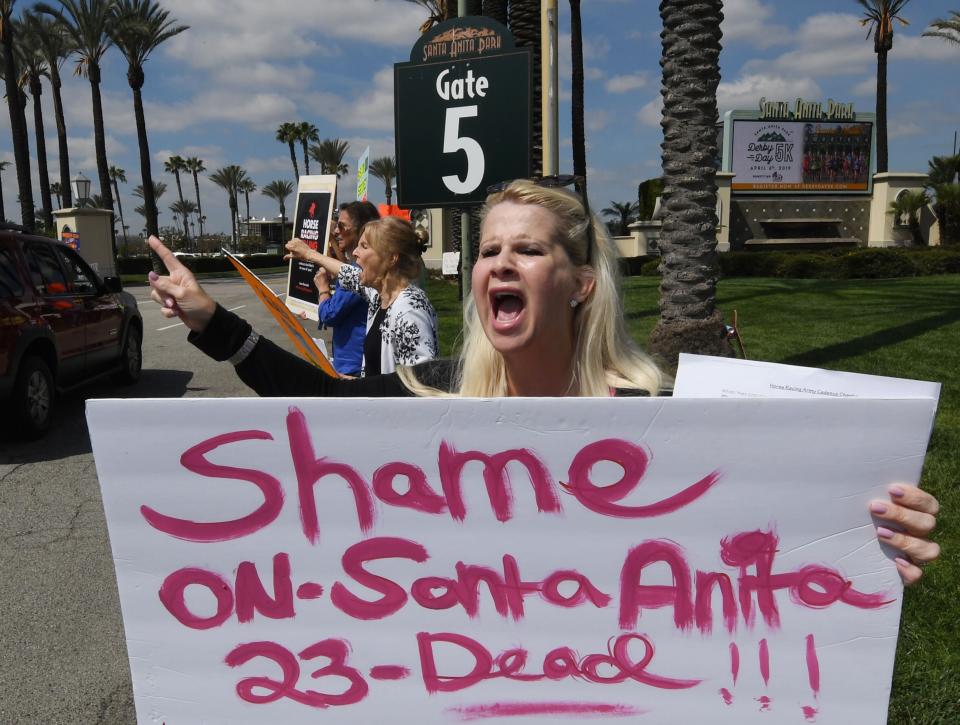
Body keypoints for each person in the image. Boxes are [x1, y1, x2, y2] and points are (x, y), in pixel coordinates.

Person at [146, 178, 940, 585]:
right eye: (490, 249)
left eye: (527, 250)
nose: (499, 262)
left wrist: (867, 541)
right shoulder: (436, 391)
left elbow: (762, 537)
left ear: (581, 283)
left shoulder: (665, 413)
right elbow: (322, 407)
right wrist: (212, 320)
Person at [286, 214, 438, 376]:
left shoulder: (409, 311)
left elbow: (421, 382)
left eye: (364, 246)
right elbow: (347, 272)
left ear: (391, 258)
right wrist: (308, 254)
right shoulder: (379, 295)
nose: (356, 252)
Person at [315, 200, 379, 377]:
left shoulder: (359, 272)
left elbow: (330, 314)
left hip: (354, 366)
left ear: (362, 230)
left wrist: (323, 289)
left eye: (342, 226)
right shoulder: (357, 269)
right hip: (355, 361)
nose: (336, 231)